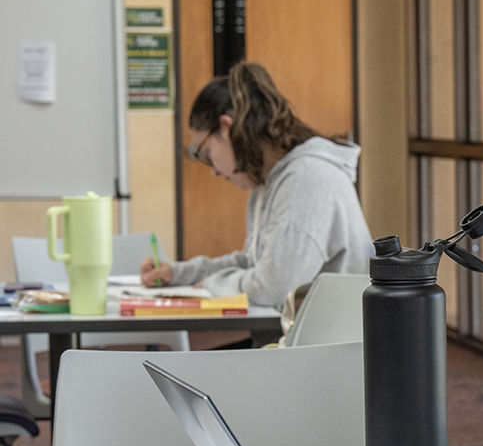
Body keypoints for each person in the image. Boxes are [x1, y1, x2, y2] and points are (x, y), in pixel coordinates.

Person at [141, 61, 374, 324]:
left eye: (205, 154)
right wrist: (181, 274)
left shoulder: (307, 178)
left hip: (329, 346)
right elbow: (255, 263)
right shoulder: (269, 181)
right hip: (300, 336)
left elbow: (272, 287)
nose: (213, 171)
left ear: (226, 129)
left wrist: (211, 285)